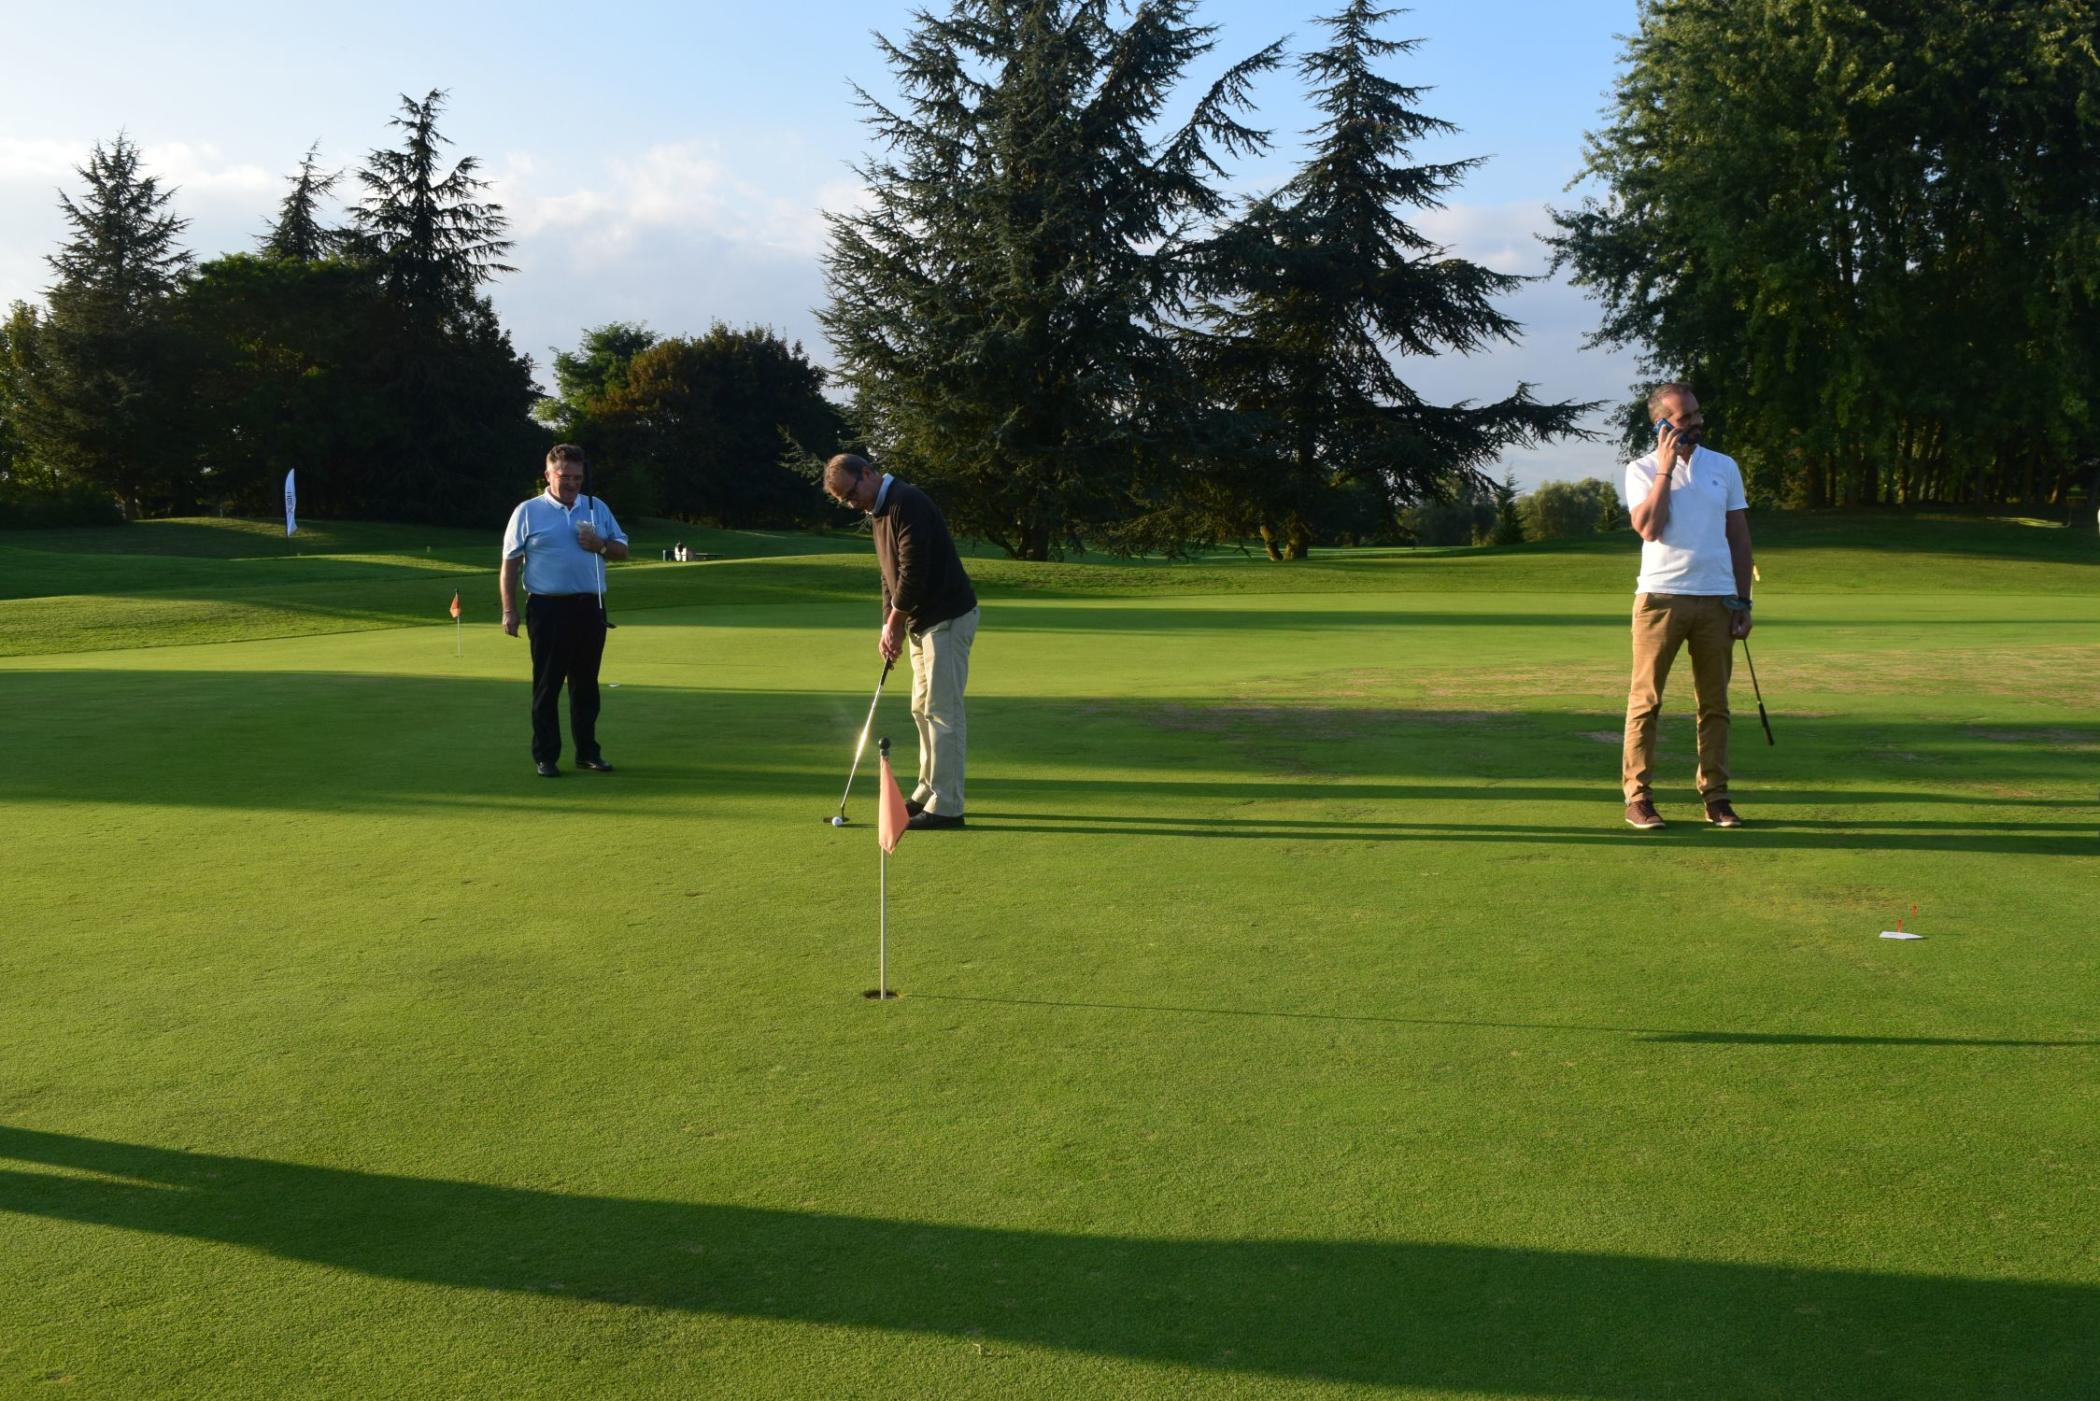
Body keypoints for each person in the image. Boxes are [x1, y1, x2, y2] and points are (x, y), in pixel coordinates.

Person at [1621, 384, 1755, 829]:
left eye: (1697, 413)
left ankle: (1716, 797)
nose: (1696, 422)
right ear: (1661, 424)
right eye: (1685, 418)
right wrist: (1664, 469)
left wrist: (1743, 600)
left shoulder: (1724, 466)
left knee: (1715, 705)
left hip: (1717, 599)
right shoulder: (1640, 469)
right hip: (1660, 598)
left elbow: (1739, 537)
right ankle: (1639, 798)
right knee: (1646, 701)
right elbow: (1649, 528)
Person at [823, 453, 979, 830]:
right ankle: (927, 792)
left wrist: (896, 622)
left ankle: (948, 806)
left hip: (947, 616)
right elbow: (889, 576)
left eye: (851, 493)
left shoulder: (906, 502)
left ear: (867, 473)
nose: (851, 503)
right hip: (922, 622)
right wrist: (887, 625)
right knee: (921, 708)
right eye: (844, 500)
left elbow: (913, 571)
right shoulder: (878, 513)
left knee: (942, 712)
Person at [500, 445, 630, 777]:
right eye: (564, 476)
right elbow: (510, 563)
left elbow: (622, 550)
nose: (572, 483)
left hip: (590, 607)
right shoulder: (528, 511)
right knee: (548, 685)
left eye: (577, 477)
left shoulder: (596, 507)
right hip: (548, 608)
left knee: (586, 685)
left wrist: (600, 544)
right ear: (548, 475)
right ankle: (546, 756)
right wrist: (509, 610)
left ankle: (587, 753)